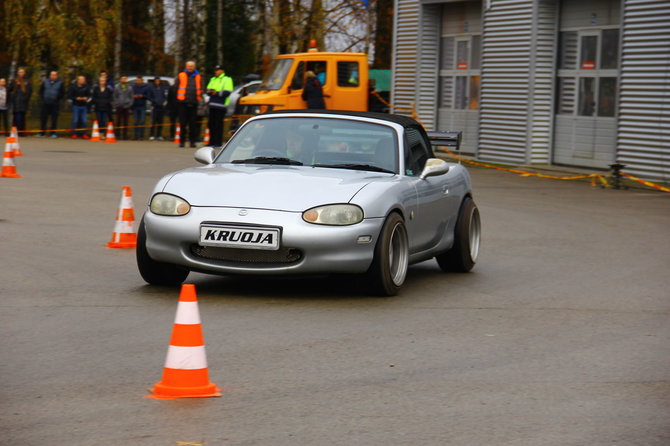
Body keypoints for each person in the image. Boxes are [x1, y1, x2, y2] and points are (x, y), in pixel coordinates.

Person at [205, 65, 234, 146]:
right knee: (211, 124)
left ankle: (218, 142)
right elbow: (208, 90)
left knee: (218, 125)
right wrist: (211, 92)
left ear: (222, 71)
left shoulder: (227, 79)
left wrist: (216, 93)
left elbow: (227, 92)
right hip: (212, 105)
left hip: (221, 105)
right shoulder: (213, 79)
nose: (216, 72)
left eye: (218, 70)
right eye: (215, 70)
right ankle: (211, 142)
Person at [176, 60, 202, 148]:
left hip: (194, 103)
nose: (190, 68)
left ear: (194, 67)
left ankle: (192, 142)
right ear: (186, 67)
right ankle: (182, 141)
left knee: (192, 124)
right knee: (182, 123)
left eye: (192, 66)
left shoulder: (198, 76)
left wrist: (199, 99)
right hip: (182, 103)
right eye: (188, 66)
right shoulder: (181, 75)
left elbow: (200, 89)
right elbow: (176, 88)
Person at [37, 71, 65, 138]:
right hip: (45, 103)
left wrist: (57, 99)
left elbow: (62, 93)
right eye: (52, 75)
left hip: (55, 104)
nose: (53, 76)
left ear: (57, 76)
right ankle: (42, 132)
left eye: (54, 75)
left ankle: (53, 133)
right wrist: (42, 98)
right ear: (50, 75)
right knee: (43, 118)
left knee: (54, 119)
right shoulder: (45, 82)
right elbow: (41, 91)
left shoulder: (60, 83)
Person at [9, 68, 32, 136]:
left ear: (24, 73)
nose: (21, 73)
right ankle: (15, 132)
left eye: (22, 72)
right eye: (19, 72)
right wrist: (12, 97)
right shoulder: (14, 81)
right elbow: (9, 89)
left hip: (23, 103)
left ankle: (21, 132)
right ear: (18, 73)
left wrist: (25, 99)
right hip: (15, 103)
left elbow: (29, 92)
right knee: (15, 118)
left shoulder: (27, 81)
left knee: (21, 117)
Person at [112, 75, 133, 140]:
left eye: (125, 79)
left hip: (126, 106)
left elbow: (131, 97)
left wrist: (129, 104)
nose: (124, 80)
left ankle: (125, 135)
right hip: (119, 106)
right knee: (118, 121)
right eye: (122, 79)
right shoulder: (117, 87)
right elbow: (114, 96)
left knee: (125, 121)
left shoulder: (129, 87)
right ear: (120, 80)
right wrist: (117, 103)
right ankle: (117, 134)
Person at [131, 76, 150, 140]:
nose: (138, 81)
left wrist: (143, 96)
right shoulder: (133, 87)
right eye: (137, 80)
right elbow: (130, 95)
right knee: (136, 121)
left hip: (142, 106)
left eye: (140, 80)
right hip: (135, 105)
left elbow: (148, 96)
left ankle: (141, 136)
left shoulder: (146, 87)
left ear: (142, 81)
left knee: (142, 121)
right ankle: (136, 135)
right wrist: (134, 96)